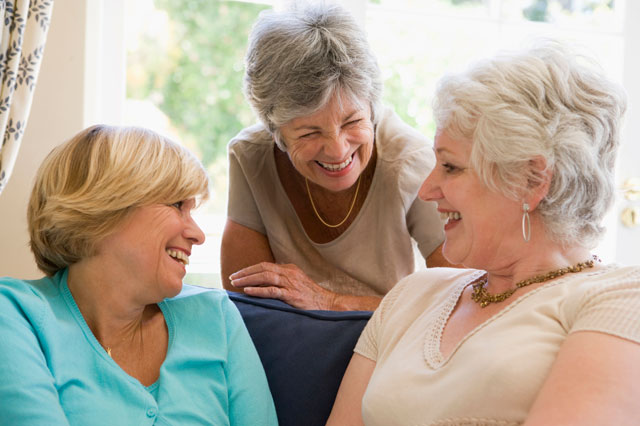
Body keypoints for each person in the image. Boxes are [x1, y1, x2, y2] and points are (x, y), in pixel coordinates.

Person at [327, 41, 640, 425]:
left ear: (531, 179)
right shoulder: (412, 295)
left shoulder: (622, 298)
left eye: (451, 167)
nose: (426, 190)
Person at [0, 125, 278, 425]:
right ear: (103, 208)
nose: (197, 234)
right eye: (177, 205)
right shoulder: (16, 316)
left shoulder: (216, 317)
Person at [222, 2, 451, 311]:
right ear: (275, 130)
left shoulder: (412, 161)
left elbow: (455, 301)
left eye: (352, 122)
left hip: (385, 340)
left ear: (371, 106)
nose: (338, 150)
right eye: (309, 133)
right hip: (287, 340)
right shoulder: (251, 156)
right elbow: (248, 307)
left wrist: (329, 302)